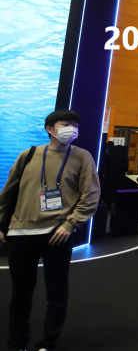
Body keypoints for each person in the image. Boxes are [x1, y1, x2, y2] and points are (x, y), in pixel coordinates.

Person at [0, 109, 100, 351]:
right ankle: (17, 344)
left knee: (56, 292)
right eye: (66, 124)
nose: (72, 129)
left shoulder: (82, 156)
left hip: (58, 234)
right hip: (21, 233)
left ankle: (48, 343)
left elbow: (91, 195)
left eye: (76, 125)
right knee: (20, 293)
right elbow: (7, 192)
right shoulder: (29, 154)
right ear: (50, 129)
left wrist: (70, 223)